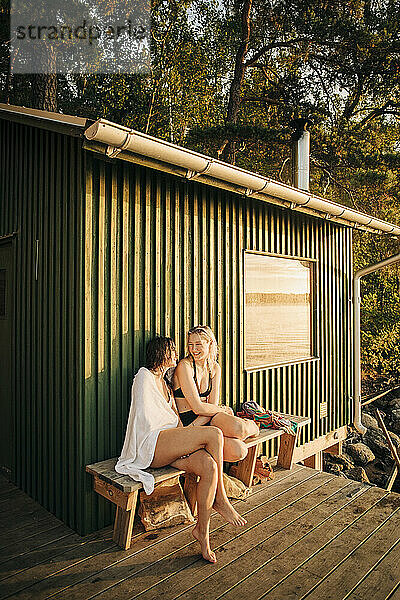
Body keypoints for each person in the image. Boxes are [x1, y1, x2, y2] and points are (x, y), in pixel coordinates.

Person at [115, 336, 247, 564]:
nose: (177, 354)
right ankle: (221, 498)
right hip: (152, 444)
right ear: (161, 352)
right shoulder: (144, 377)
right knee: (214, 434)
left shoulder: (165, 384)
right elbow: (144, 419)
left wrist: (184, 440)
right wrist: (180, 437)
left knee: (209, 466)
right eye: (172, 350)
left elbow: (175, 420)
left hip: (170, 444)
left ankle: (202, 533)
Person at [172, 325, 259, 461]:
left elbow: (211, 407)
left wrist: (218, 410)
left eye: (198, 344)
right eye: (190, 344)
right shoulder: (185, 366)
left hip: (209, 419)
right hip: (190, 423)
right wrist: (224, 409)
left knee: (239, 428)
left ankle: (254, 426)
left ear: (210, 343)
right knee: (239, 451)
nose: (194, 349)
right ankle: (246, 427)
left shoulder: (214, 368)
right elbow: (197, 407)